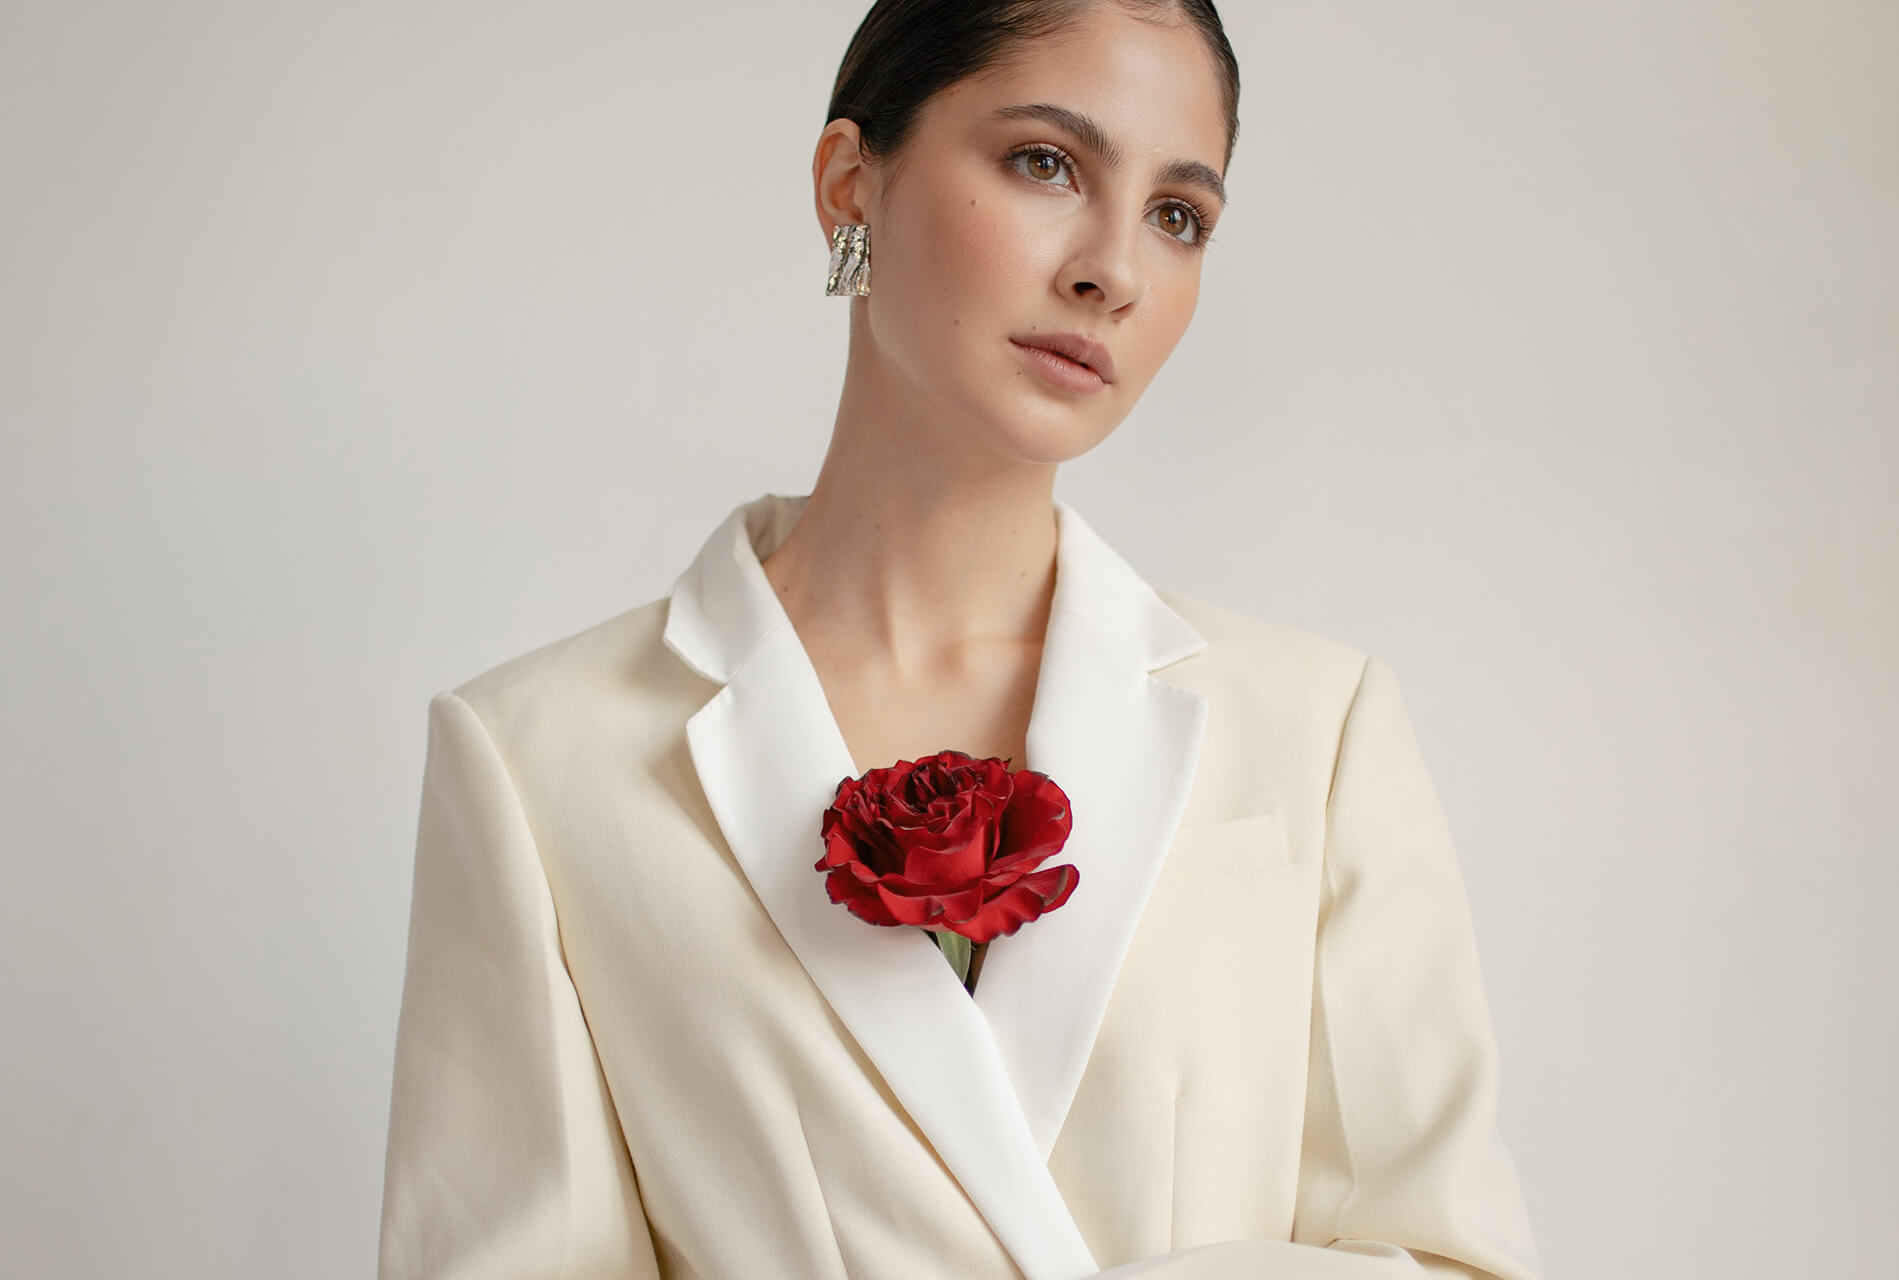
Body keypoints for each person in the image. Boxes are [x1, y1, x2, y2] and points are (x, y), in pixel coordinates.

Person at [375, 2, 1547, 1277]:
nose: (1115, 269)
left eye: (1178, 215)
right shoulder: (542, 758)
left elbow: (1455, 1256)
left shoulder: (1316, 728)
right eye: (1046, 162)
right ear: (850, 183)